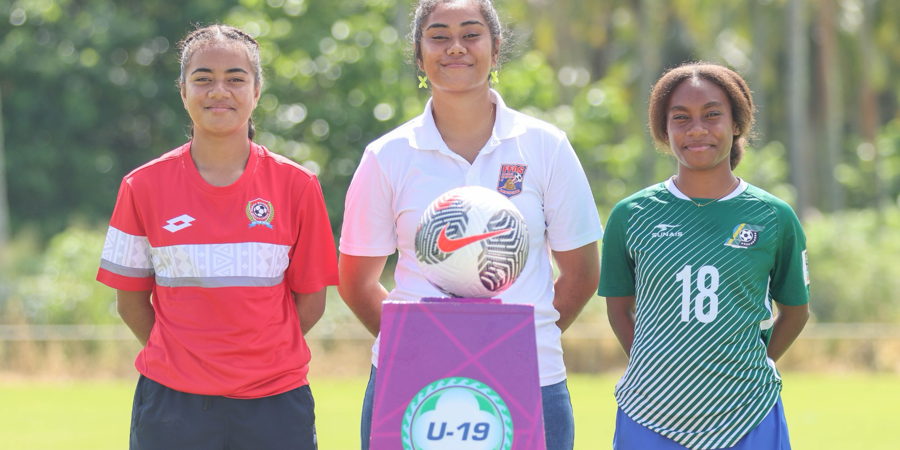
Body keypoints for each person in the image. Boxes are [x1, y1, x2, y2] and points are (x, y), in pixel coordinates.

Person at [337, 1, 603, 449]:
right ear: (419, 56)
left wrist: (515, 340)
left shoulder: (546, 146)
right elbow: (355, 281)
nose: (455, 47)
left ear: (496, 50)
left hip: (531, 373)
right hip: (412, 379)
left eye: (471, 34)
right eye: (438, 36)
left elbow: (581, 273)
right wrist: (418, 343)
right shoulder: (387, 156)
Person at [96, 25, 338, 450]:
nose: (218, 90)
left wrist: (261, 357)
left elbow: (311, 301)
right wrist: (184, 360)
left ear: (257, 90)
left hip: (276, 405)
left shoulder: (298, 186)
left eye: (236, 78)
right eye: (203, 78)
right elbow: (130, 301)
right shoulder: (141, 186)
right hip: (171, 406)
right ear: (183, 91)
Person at [599, 62, 810, 450]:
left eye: (712, 115)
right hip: (649, 413)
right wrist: (659, 366)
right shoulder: (631, 215)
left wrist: (747, 363)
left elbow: (795, 311)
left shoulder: (773, 216)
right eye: (681, 118)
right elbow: (619, 310)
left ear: (736, 124)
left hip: (748, 411)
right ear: (664, 130)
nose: (696, 129)